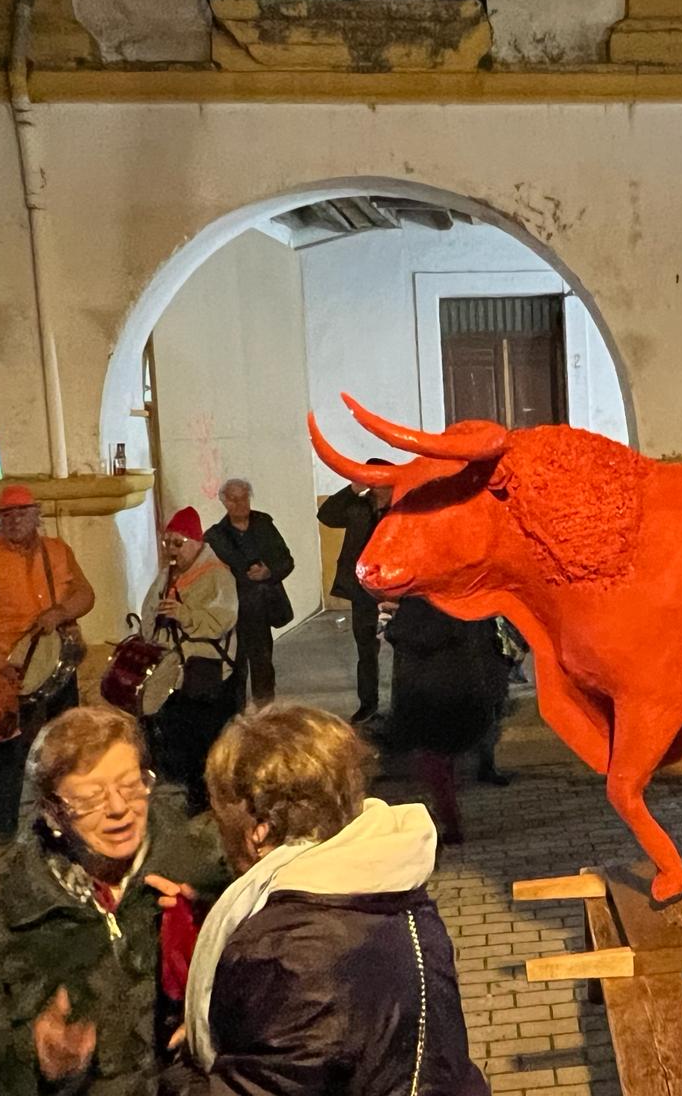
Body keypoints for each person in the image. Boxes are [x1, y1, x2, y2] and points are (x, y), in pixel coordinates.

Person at [174, 705, 488, 1094]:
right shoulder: (387, 884)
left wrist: (176, 1071)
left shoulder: (284, 947)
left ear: (259, 830)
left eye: (220, 813)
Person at [0, 706, 225, 1096]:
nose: (119, 809)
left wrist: (214, 1012)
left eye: (130, 784)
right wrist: (32, 1052)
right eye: (90, 799)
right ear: (53, 812)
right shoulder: (10, 909)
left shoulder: (204, 868)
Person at [0, 484, 96, 845]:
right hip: (14, 668)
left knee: (65, 742)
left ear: (37, 515)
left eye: (22, 512)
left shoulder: (58, 551)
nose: (14, 520)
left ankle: (65, 815)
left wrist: (61, 612)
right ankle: (5, 822)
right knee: (9, 746)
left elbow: (85, 594)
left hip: (59, 666)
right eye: (7, 514)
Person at [383, 597, 513, 845]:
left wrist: (392, 625)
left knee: (434, 762)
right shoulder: (463, 599)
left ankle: (451, 823)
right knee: (448, 755)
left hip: (429, 692)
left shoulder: (421, 602)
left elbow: (411, 634)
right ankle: (453, 809)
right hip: (463, 687)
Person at [142, 508, 238, 815]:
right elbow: (149, 609)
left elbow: (223, 618)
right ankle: (190, 788)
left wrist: (184, 615)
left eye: (178, 543)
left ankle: (209, 796)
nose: (172, 550)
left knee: (205, 738)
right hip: (175, 668)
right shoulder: (170, 573)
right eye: (167, 543)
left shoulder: (216, 574)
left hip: (204, 670)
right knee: (178, 732)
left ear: (196, 542)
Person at [203, 478, 295, 708]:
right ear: (224, 502)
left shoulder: (263, 524)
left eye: (244, 497)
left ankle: (266, 712)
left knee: (262, 661)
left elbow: (286, 559)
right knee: (234, 664)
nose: (240, 503)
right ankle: (235, 713)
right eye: (233, 499)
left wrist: (269, 572)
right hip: (233, 609)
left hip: (261, 609)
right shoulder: (215, 536)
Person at [318, 460, 393, 724]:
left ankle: (403, 704)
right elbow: (326, 515)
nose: (378, 488)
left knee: (405, 645)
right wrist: (352, 488)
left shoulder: (402, 508)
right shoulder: (358, 506)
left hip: (396, 589)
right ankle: (368, 704)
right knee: (366, 648)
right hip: (363, 590)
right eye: (373, 481)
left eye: (381, 481)